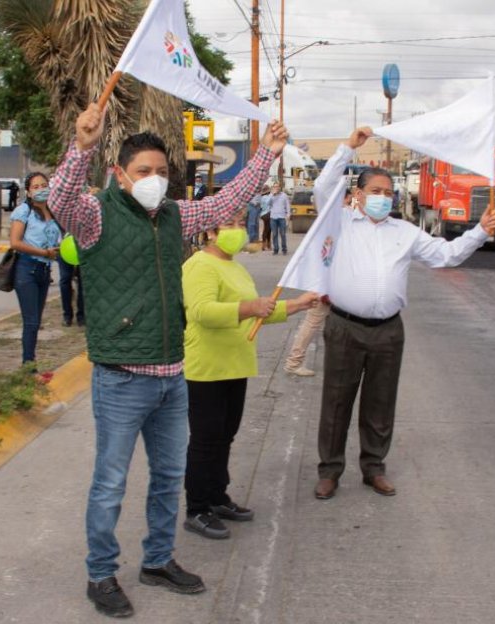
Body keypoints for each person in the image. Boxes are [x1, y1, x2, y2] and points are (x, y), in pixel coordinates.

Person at [50, 102, 287, 618]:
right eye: (143, 172)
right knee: (110, 482)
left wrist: (266, 154)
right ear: (120, 175)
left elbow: (234, 198)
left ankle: (157, 560)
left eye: (161, 172)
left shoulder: (176, 216)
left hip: (170, 376)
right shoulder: (94, 217)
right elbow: (60, 199)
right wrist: (81, 146)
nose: (154, 180)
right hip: (120, 379)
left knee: (165, 477)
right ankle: (100, 574)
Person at [311, 128, 495, 501]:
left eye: (387, 193)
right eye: (375, 192)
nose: (382, 198)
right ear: (358, 195)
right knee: (336, 401)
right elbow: (322, 185)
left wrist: (479, 231)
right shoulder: (339, 222)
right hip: (345, 327)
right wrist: (347, 147)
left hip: (387, 332)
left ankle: (374, 468)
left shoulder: (405, 232)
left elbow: (446, 255)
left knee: (380, 403)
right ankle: (330, 471)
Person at [181, 212, 317, 540]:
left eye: (242, 223)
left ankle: (218, 497)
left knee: (225, 435)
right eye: (230, 224)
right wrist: (248, 308)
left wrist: (297, 305)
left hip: (235, 364)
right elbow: (200, 311)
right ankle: (197, 507)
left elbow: (257, 314)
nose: (239, 230)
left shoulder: (236, 267)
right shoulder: (199, 265)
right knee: (205, 439)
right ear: (210, 231)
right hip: (207, 367)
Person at [283, 186, 353, 377]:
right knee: (315, 322)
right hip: (330, 284)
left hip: (331, 283)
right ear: (348, 198)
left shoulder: (329, 220)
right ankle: (294, 362)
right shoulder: (344, 219)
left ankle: (298, 361)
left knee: (323, 324)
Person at [11, 172, 62, 365]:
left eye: (44, 185)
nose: (41, 189)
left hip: (44, 271)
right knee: (31, 321)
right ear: (29, 192)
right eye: (36, 187)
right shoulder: (24, 211)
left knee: (36, 321)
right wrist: (43, 253)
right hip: (27, 269)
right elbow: (15, 242)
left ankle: (30, 361)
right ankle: (28, 365)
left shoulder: (52, 211)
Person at [268, 184, 290, 254]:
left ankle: (284, 249)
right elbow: (267, 204)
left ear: (280, 187)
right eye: (274, 187)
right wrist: (272, 195)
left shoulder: (284, 195)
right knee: (274, 234)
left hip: (282, 217)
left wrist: (288, 215)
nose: (276, 188)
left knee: (283, 234)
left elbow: (287, 205)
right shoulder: (271, 195)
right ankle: (276, 249)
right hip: (273, 217)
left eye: (277, 186)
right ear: (273, 188)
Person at [259, 186, 273, 251]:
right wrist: (272, 194)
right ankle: (264, 245)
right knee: (267, 229)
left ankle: (268, 245)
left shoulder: (261, 197)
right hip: (267, 214)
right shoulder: (266, 197)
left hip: (263, 214)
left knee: (268, 229)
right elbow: (269, 202)